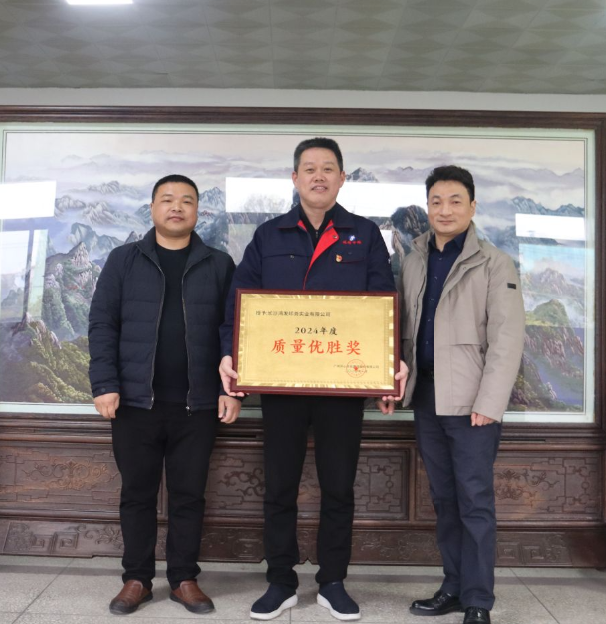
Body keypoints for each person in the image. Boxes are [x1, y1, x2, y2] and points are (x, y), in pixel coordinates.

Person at [219, 137, 407, 621]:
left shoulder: (364, 235)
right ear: (295, 178)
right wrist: (229, 356)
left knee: (338, 487)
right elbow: (240, 305)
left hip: (341, 388)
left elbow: (383, 306)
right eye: (309, 168)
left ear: (342, 178)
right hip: (281, 384)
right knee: (279, 486)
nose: (318, 176)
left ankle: (333, 581)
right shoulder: (269, 235)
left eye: (328, 168)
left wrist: (390, 368)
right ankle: (280, 580)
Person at [88, 174, 240, 616]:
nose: (177, 207)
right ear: (153, 208)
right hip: (135, 403)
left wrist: (232, 389)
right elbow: (102, 323)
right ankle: (136, 579)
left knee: (189, 495)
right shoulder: (124, 260)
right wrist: (105, 384)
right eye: (168, 200)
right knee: (137, 493)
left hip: (198, 404)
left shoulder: (218, 263)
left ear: (198, 212)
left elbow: (234, 331)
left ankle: (184, 579)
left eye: (187, 201)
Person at [396, 165, 525, 624]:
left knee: (474, 502)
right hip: (428, 398)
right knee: (444, 500)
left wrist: (489, 404)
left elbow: (507, 340)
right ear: (427, 207)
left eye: (455, 201)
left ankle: (478, 600)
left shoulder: (494, 263)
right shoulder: (414, 259)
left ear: (472, 207)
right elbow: (403, 329)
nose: (445, 210)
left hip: (472, 405)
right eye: (436, 201)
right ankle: (452, 587)